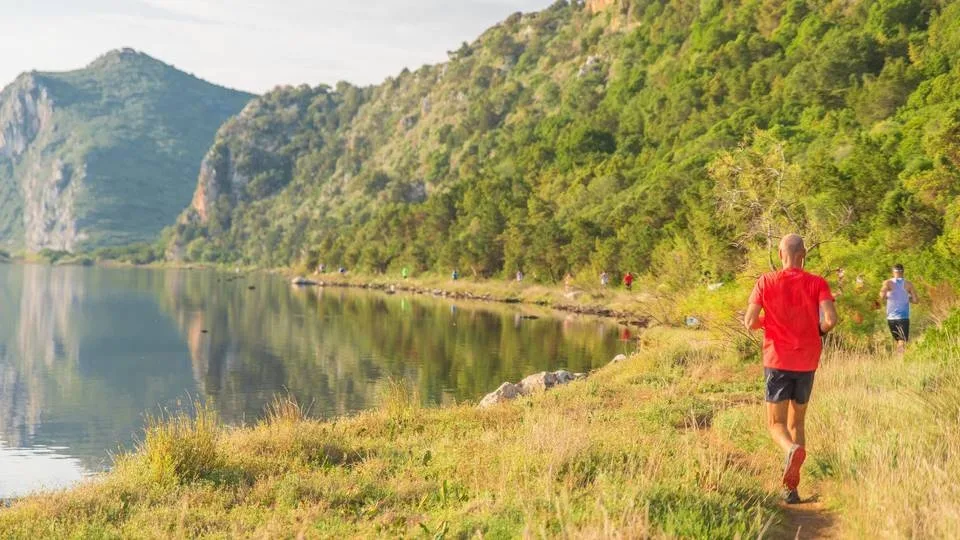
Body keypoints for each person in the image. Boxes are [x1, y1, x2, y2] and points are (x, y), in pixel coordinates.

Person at [743, 234, 837, 505]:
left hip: (777, 361)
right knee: (797, 422)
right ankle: (791, 490)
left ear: (780, 253)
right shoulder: (817, 282)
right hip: (807, 362)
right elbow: (831, 320)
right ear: (803, 254)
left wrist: (768, 323)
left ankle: (791, 450)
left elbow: (749, 322)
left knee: (776, 424)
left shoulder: (765, 281)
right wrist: (815, 329)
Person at [879, 263, 918, 354]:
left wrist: (886, 296)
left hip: (891, 318)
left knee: (898, 341)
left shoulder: (887, 282)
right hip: (903, 317)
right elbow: (916, 300)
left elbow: (881, 295)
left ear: (893, 272)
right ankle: (900, 361)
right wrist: (907, 298)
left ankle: (899, 359)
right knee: (902, 341)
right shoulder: (908, 284)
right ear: (903, 272)